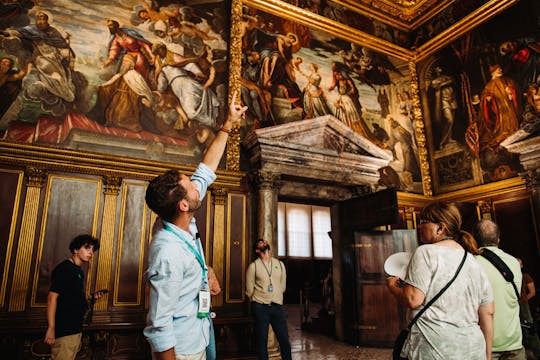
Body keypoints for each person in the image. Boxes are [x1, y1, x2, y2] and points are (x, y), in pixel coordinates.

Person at [143, 91, 247, 360]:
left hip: (201, 330)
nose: (197, 185)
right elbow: (159, 324)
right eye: (190, 186)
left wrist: (228, 124)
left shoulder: (177, 219)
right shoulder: (167, 253)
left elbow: (206, 168)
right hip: (185, 350)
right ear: (184, 205)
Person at [387, 202, 494, 360]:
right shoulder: (473, 260)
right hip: (473, 348)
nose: (419, 227)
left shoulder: (425, 252)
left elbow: (413, 299)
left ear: (441, 228)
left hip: (435, 348)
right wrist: (487, 355)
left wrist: (392, 287)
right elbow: (488, 311)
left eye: (423, 222)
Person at [474, 219, 526, 360]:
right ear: (498, 238)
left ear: (475, 239)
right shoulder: (514, 262)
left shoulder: (472, 264)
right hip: (515, 341)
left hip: (487, 346)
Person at [44, 234, 101, 360]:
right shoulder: (64, 269)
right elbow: (52, 298)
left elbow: (71, 297)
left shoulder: (78, 271)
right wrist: (51, 327)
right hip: (64, 329)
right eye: (87, 248)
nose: (91, 253)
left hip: (75, 328)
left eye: (92, 250)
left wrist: (90, 298)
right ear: (76, 250)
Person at [245, 239, 292, 360]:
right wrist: (258, 300)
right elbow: (249, 290)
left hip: (277, 306)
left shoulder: (279, 264)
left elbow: (283, 286)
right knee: (262, 341)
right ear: (257, 250)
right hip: (261, 307)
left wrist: (275, 295)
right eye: (260, 242)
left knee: (284, 339)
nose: (264, 242)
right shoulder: (253, 266)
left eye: (264, 242)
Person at [430, 66, 458, 149]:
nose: (439, 69)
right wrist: (445, 83)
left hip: (452, 99)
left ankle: (449, 139)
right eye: (437, 69)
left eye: (439, 68)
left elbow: (452, 80)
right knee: (449, 120)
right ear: (435, 71)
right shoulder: (434, 81)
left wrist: (443, 83)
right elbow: (436, 87)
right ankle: (442, 141)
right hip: (443, 101)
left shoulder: (445, 77)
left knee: (452, 120)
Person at [517, 258, 540, 359]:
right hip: (514, 305)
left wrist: (523, 300)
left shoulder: (525, 276)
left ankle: (537, 351)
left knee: (529, 325)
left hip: (523, 305)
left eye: (519, 264)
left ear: (521, 266)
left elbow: (532, 292)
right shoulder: (512, 277)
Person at [206, 266, 221, 360]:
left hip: (204, 311)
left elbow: (217, 289)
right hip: (204, 311)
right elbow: (216, 289)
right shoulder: (208, 269)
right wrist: (208, 290)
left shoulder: (208, 270)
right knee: (210, 353)